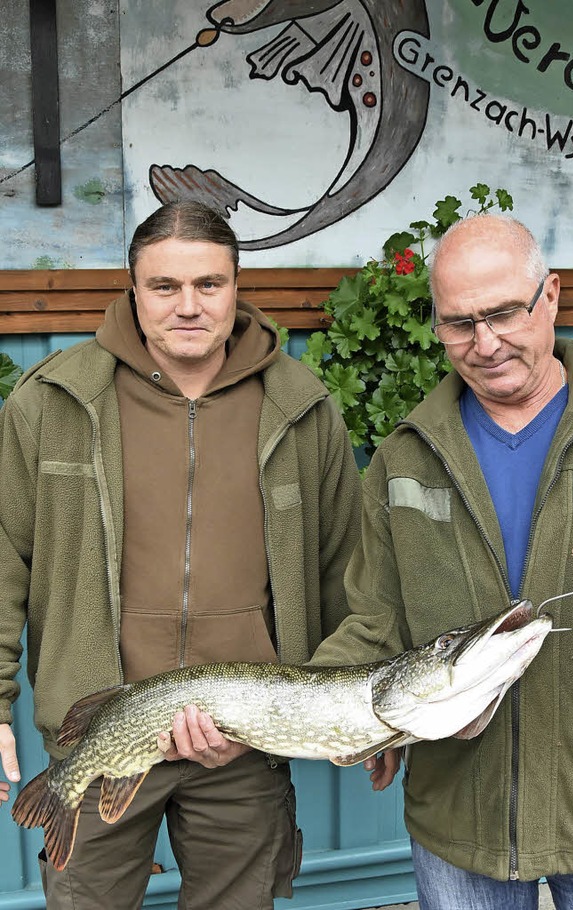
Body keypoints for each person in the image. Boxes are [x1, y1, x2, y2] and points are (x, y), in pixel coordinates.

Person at [0, 201, 362, 909]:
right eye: (165, 286)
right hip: (100, 734)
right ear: (133, 289)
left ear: (236, 285)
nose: (188, 305)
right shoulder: (54, 402)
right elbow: (3, 559)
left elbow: (346, 574)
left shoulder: (302, 406)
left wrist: (366, 722)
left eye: (209, 284)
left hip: (245, 743)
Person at [312, 214, 573, 909]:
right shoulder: (404, 457)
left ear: (550, 295)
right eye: (459, 323)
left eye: (501, 313)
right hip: (459, 825)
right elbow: (376, 621)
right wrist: (328, 707)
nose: (484, 344)